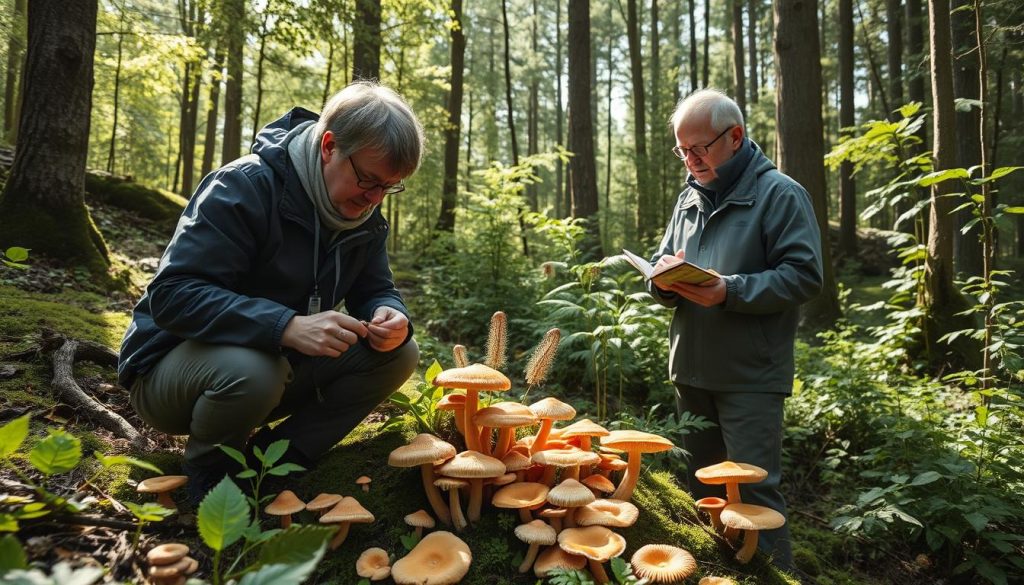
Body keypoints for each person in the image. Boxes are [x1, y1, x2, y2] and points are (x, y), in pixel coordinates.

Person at [118, 81, 423, 502]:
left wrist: (390, 315)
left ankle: (275, 464)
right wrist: (286, 326)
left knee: (400, 354)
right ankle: (211, 482)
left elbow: (377, 288)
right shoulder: (244, 187)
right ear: (329, 146)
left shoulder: (364, 219)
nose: (374, 198)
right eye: (369, 180)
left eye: (389, 187)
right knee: (255, 369)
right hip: (172, 375)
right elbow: (173, 295)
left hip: (273, 372)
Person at [647, 88, 823, 570]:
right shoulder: (687, 197)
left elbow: (805, 276)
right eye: (681, 150)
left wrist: (732, 289)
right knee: (700, 486)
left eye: (698, 149)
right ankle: (717, 575)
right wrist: (661, 280)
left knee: (753, 495)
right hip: (690, 368)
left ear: (736, 136)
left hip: (749, 374)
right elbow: (665, 263)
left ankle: (773, 576)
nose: (689, 160)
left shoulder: (780, 194)